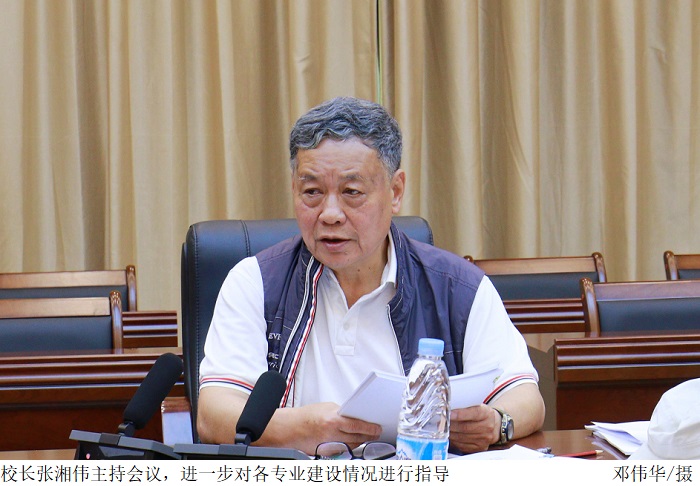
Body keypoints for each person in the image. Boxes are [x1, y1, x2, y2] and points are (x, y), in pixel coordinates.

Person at [197, 96, 545, 455]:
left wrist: (498, 422)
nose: (330, 213)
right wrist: (306, 428)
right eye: (312, 192)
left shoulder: (458, 287)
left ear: (395, 192)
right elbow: (213, 415)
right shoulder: (255, 283)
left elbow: (524, 396)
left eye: (352, 192)